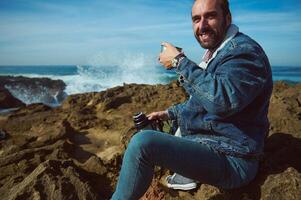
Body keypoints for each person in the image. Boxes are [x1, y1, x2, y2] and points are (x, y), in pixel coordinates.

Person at [111, 0, 273, 199]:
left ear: (228, 18)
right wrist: (169, 114)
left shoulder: (244, 53)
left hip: (233, 159)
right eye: (196, 19)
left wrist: (179, 62)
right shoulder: (217, 52)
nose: (202, 25)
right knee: (145, 137)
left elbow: (221, 102)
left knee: (143, 143)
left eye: (210, 16)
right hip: (210, 145)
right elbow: (203, 100)